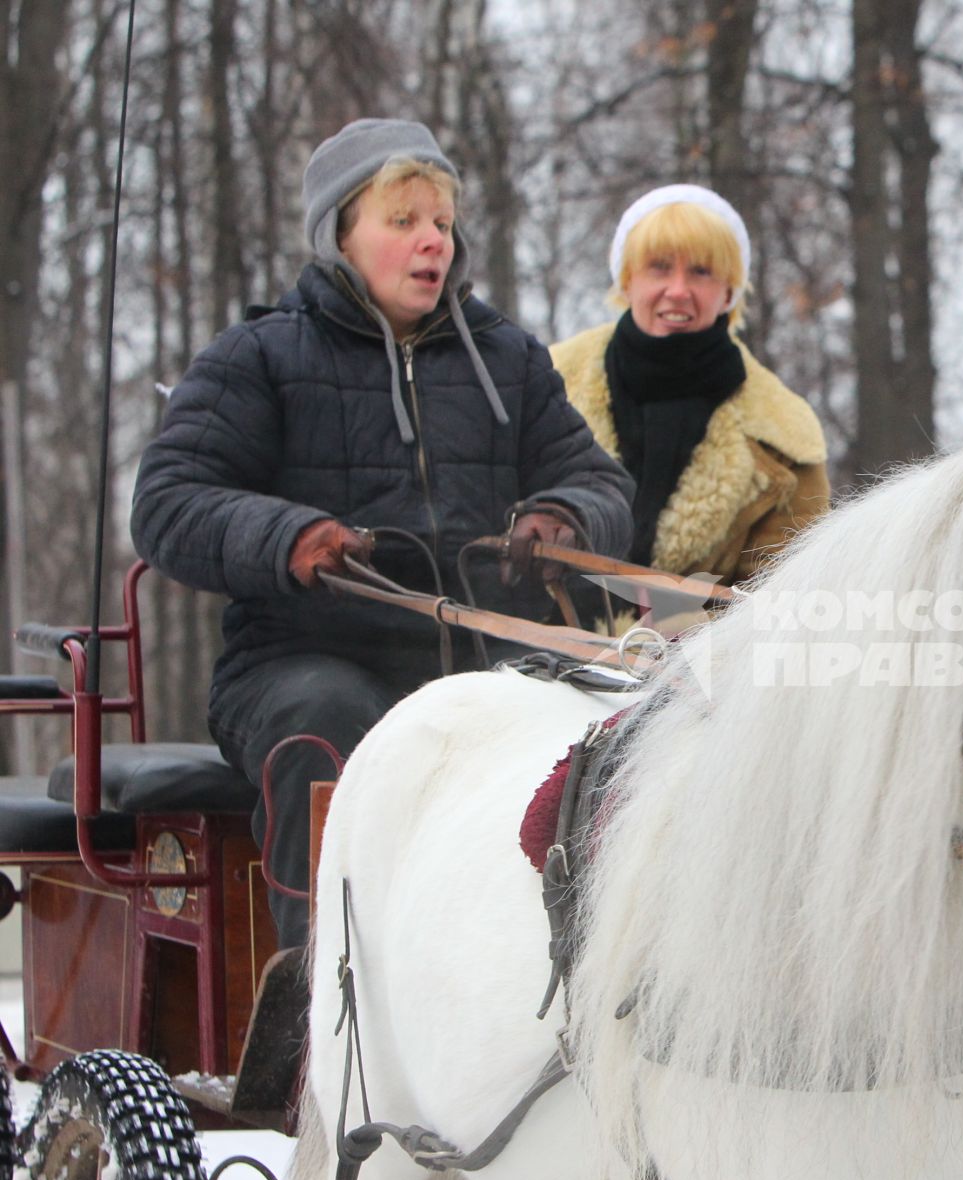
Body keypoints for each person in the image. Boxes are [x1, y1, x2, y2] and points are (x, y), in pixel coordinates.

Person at [132, 119, 634, 950]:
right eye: (403, 222)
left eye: (440, 223)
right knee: (326, 718)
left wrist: (562, 519)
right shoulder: (256, 358)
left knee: (604, 721)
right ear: (341, 234)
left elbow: (601, 482)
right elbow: (167, 502)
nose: (431, 242)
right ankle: (316, 1014)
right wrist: (290, 536)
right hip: (300, 661)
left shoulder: (507, 359)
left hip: (485, 660)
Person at [549, 185, 827, 587]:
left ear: (729, 291)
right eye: (659, 267)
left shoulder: (785, 438)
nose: (678, 291)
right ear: (627, 280)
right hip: (534, 647)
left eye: (700, 271)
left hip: (705, 650)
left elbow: (788, 599)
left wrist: (678, 641)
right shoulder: (548, 384)